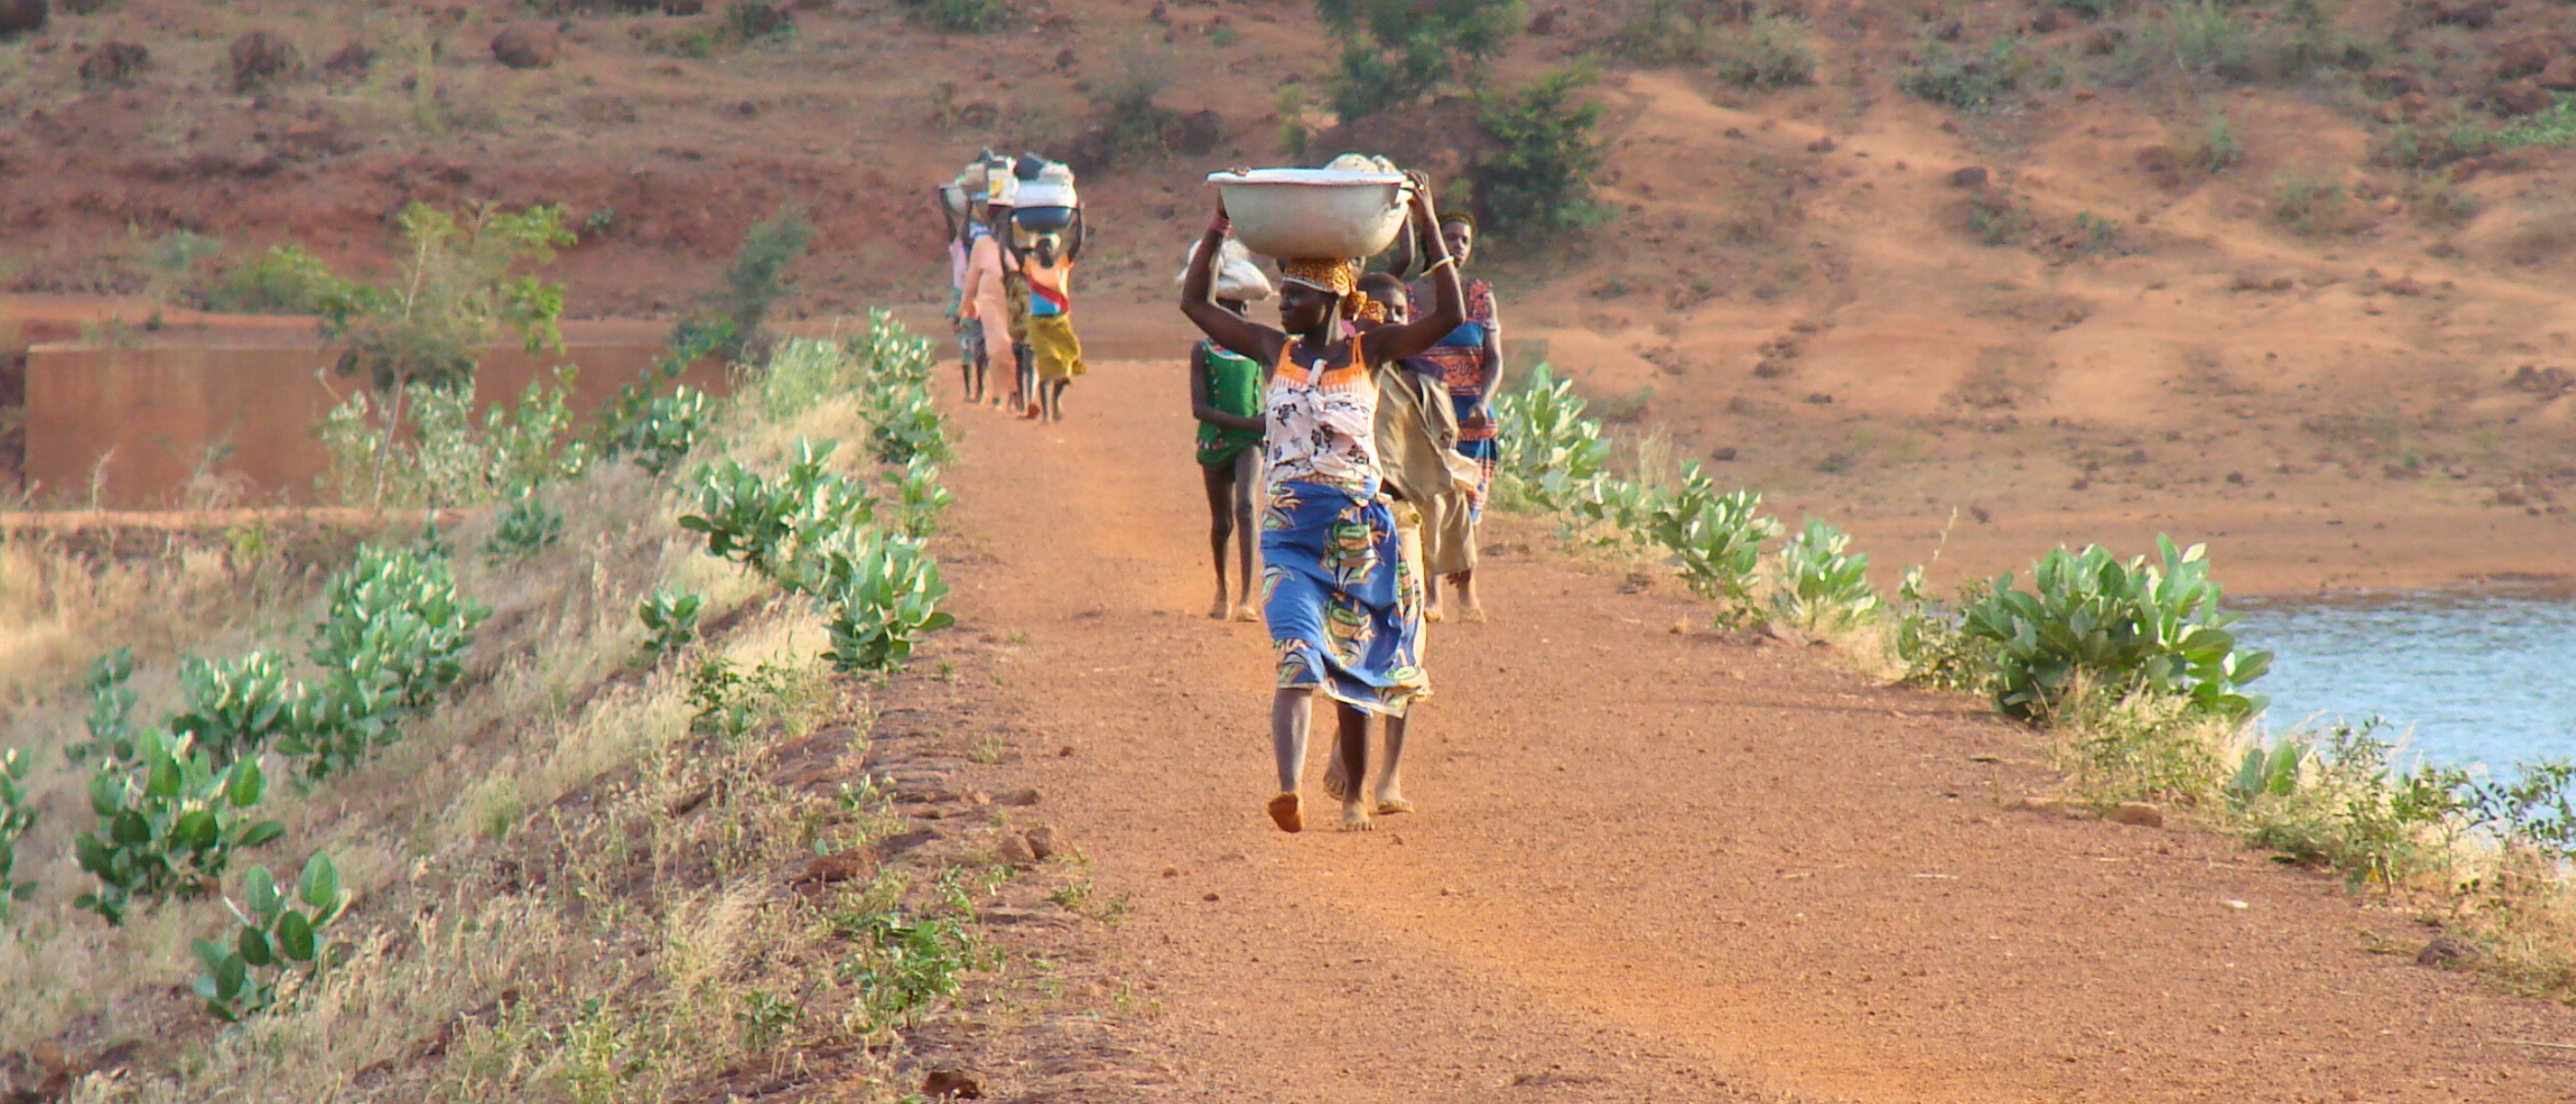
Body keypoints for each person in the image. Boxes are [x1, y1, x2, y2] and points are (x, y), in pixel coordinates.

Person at [1180, 175, 1465, 834]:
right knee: (1296, 658)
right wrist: (1218, 228)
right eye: (1283, 295)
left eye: (1297, 295)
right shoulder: (1268, 350)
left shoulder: (1371, 353)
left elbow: (1448, 318)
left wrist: (1425, 220)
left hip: (1356, 531)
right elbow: (1195, 302)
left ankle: (1355, 796)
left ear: (1333, 296)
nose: (1283, 306)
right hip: (1286, 530)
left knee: (1356, 674)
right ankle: (1288, 790)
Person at [1409, 213, 1505, 622]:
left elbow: (1495, 359)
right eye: (1449, 238)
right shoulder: (1410, 297)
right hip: (1427, 413)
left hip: (1471, 416)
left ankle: (1467, 592)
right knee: (1431, 500)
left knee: (1469, 507)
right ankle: (1433, 595)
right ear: (1432, 242)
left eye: (1464, 239)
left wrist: (1484, 399)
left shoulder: (1481, 296)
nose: (1458, 246)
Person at [1185, 239, 1272, 623]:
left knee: (1247, 507)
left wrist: (1261, 426)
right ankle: (1222, 588)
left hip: (1249, 441)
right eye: (1237, 309)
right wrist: (1249, 423)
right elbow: (1199, 407)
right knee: (1221, 521)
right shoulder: (1203, 351)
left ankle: (1246, 597)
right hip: (1218, 438)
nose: (1245, 315)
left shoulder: (1260, 348)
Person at [958, 183, 1018, 412]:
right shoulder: (982, 245)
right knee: (995, 349)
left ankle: (1015, 395)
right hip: (990, 305)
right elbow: (971, 281)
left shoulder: (1020, 247)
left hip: (1015, 304)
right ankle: (999, 394)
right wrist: (964, 308)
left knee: (1016, 350)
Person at [1023, 222, 1086, 423]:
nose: (1045, 249)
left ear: (1055, 248)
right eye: (1041, 246)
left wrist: (1078, 215)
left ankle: (1056, 399)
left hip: (1059, 322)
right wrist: (1006, 220)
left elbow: (1079, 241)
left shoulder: (1062, 265)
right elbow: (1007, 246)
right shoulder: (1030, 266)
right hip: (1039, 325)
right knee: (1046, 364)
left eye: (1049, 246)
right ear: (1036, 250)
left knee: (1067, 361)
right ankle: (1047, 414)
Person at [938, 170, 993, 404]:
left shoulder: (980, 244)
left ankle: (979, 389)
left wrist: (970, 208)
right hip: (961, 297)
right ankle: (971, 389)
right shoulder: (958, 245)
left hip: (978, 297)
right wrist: (946, 205)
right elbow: (953, 226)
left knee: (979, 344)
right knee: (965, 346)